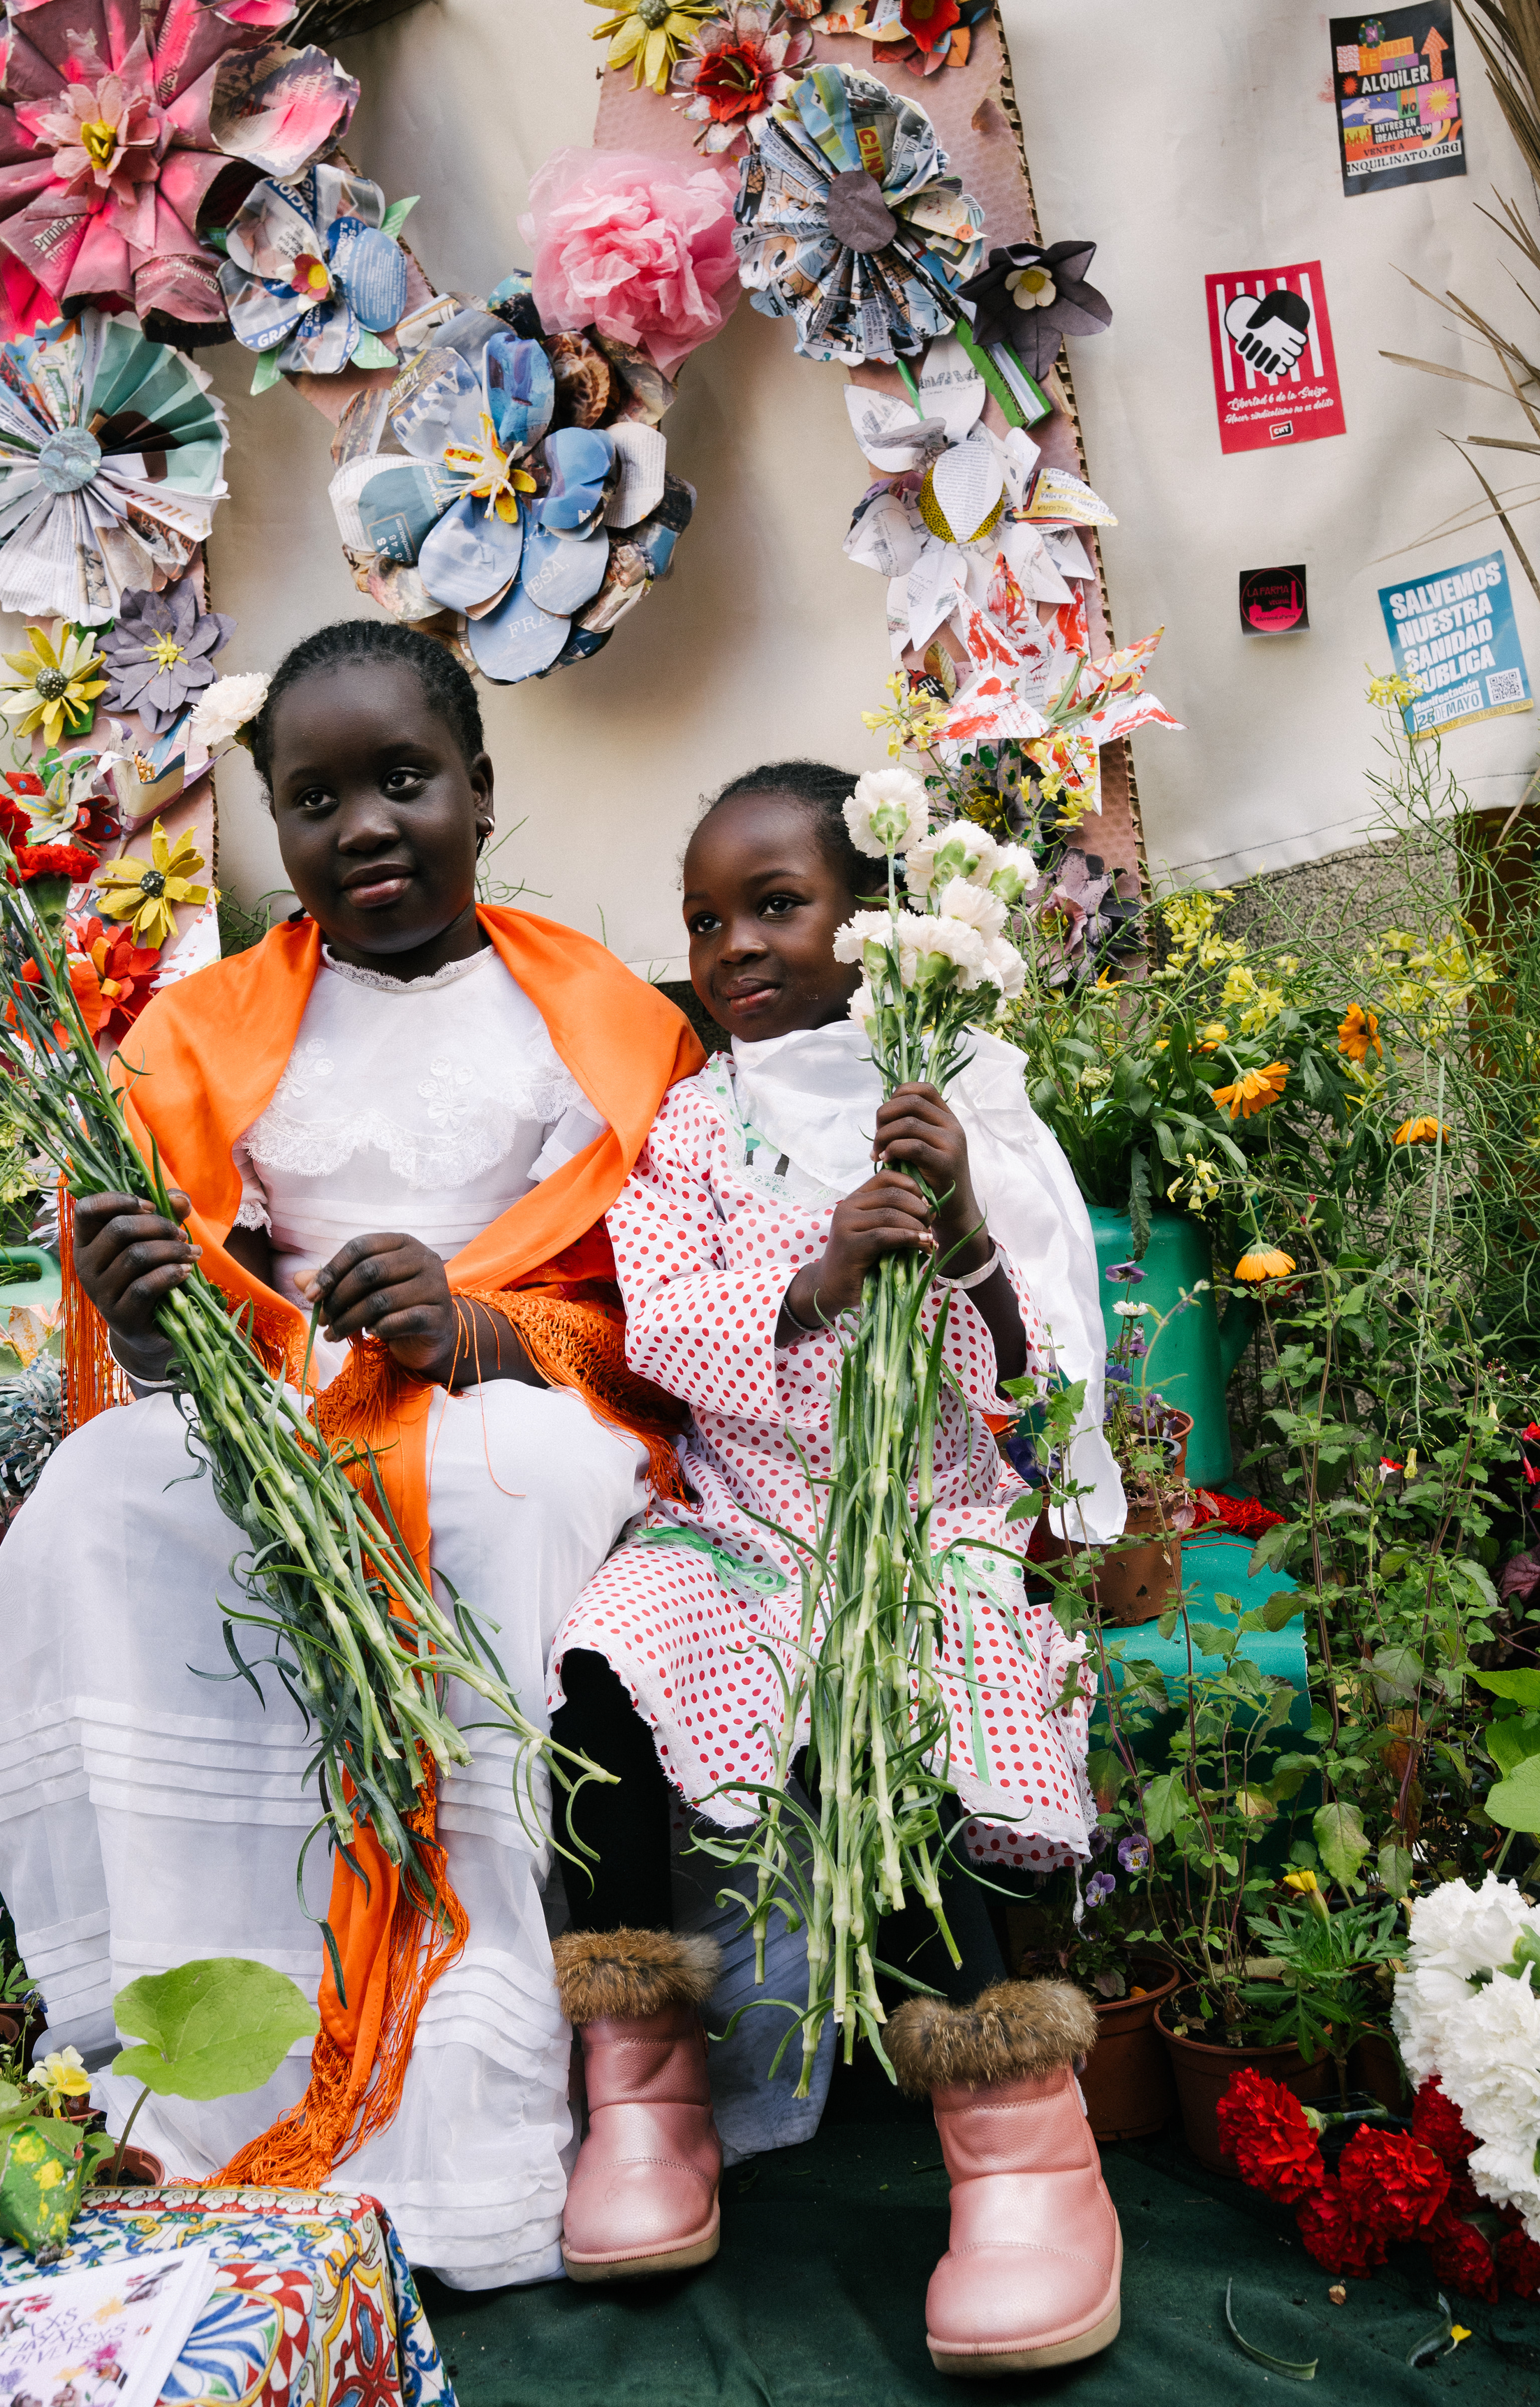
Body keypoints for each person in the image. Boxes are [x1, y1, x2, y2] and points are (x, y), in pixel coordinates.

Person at [0, 620, 702, 2289]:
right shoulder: (200, 1030)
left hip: (519, 1393)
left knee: (503, 1504)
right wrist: (162, 1326)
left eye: (402, 780)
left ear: (482, 793)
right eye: (315, 799)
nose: (364, 826)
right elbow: (161, 1329)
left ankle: (534, 2087)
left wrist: (476, 1331)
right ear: (275, 833)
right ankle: (205, 2059)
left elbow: (661, 1308)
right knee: (95, 1501)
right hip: (290, 1403)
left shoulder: (594, 1018)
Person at [541, 761, 1127, 2371]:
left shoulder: (962, 1098)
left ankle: (1022, 2152)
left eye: (777, 905)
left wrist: (967, 1245)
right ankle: (644, 2094)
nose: (734, 945)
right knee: (601, 1664)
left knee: (903, 1696)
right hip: (747, 1522)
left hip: (927, 1519)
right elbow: (662, 1324)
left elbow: (1045, 1377)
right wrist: (809, 1283)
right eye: (705, 920)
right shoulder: (693, 1126)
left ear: (878, 921)